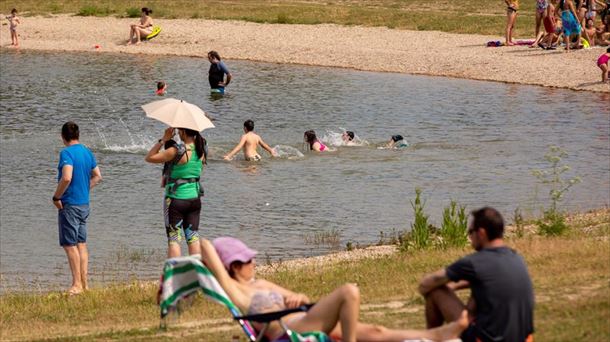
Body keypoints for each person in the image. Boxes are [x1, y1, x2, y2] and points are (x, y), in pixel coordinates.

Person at [200, 237, 469, 342]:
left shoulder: (260, 283)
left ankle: (438, 334)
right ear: (234, 266)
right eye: (248, 259)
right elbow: (204, 245)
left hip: (307, 317)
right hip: (289, 331)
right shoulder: (235, 291)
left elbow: (303, 299)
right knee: (348, 291)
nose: (254, 262)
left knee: (377, 331)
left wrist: (297, 297)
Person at [419, 207, 535, 342]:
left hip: (486, 339)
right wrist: (455, 286)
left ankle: (432, 337)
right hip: (524, 339)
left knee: (436, 290)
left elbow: (425, 284)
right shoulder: (516, 258)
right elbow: (490, 279)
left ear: (481, 233)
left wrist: (445, 287)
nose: (470, 237)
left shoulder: (474, 262)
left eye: (470, 232)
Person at [52, 122, 102, 295]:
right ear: (78, 135)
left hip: (70, 204)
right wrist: (84, 188)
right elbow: (98, 176)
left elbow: (66, 177)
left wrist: (56, 196)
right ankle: (84, 283)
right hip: (84, 204)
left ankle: (76, 284)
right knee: (81, 244)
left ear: (63, 136)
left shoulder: (66, 153)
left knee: (69, 245)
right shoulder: (87, 152)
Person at [145, 127, 207, 258]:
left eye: (179, 130)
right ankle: (196, 272)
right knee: (193, 236)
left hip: (176, 199)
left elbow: (149, 157)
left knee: (174, 239)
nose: (178, 133)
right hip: (195, 198)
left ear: (184, 132)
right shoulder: (202, 149)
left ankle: (174, 274)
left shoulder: (176, 151)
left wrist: (163, 140)